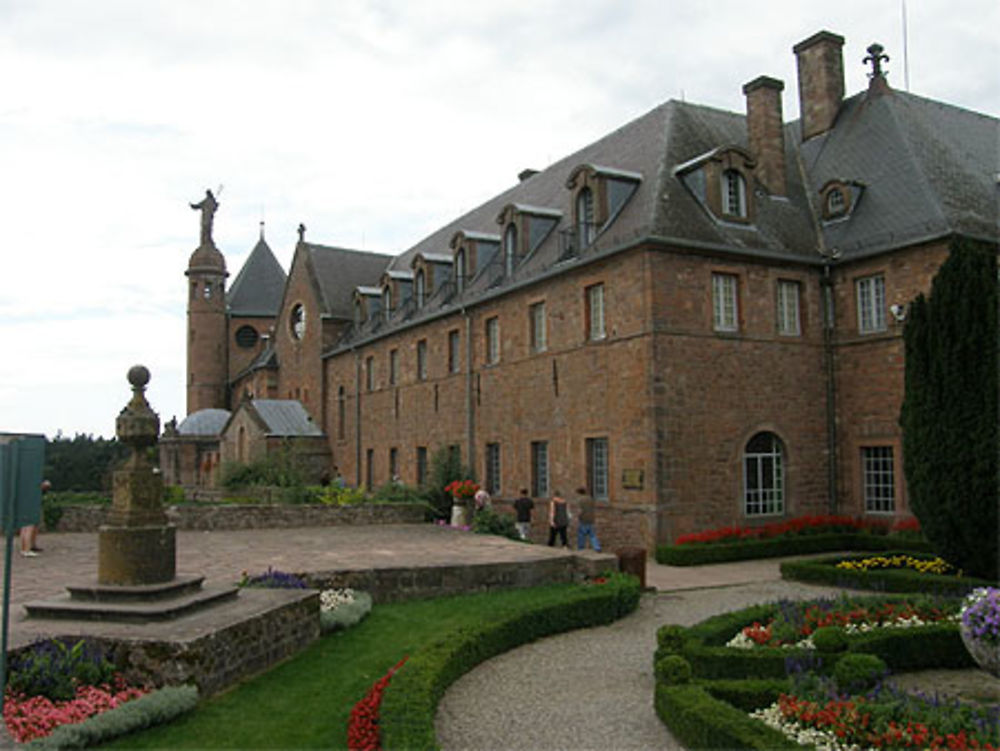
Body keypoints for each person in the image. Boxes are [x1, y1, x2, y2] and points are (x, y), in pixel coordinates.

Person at [20, 480, 49, 558]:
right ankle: (26, 550)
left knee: (26, 526)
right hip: (30, 503)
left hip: (25, 502)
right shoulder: (30, 481)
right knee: (29, 526)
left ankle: (26, 548)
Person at [575, 487, 601, 552]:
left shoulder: (580, 500)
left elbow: (580, 510)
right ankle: (597, 547)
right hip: (591, 519)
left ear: (579, 493)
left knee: (581, 534)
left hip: (583, 519)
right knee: (592, 535)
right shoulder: (590, 499)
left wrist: (577, 517)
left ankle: (581, 548)